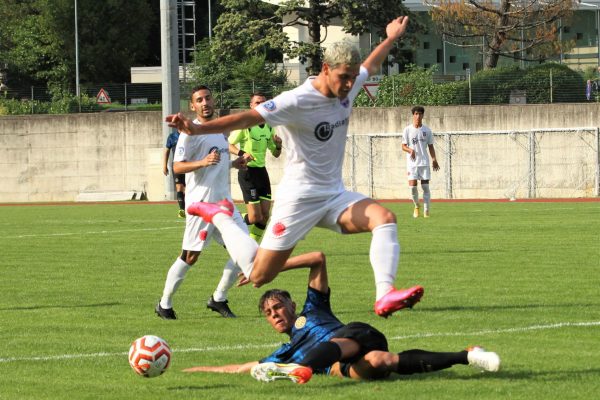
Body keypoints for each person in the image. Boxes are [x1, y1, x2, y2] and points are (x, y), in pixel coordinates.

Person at [167, 16, 424, 318]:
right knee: (260, 275)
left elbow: (372, 64)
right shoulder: (296, 100)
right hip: (298, 200)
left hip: (332, 196)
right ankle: (221, 216)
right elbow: (247, 118)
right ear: (326, 70)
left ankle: (384, 295)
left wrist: (391, 37)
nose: (351, 84)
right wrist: (196, 131)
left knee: (384, 218)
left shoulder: (348, 87)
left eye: (354, 77)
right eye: (344, 77)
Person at [182, 251, 501, 383]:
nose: (275, 314)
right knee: (383, 362)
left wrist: (270, 268)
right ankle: (469, 356)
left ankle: (302, 369)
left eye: (278, 306)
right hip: (348, 364)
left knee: (340, 344)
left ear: (292, 305)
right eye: (268, 313)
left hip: (356, 335)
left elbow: (317, 259)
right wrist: (197, 369)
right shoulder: (284, 351)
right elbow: (241, 368)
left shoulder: (313, 309)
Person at [155, 85, 249, 320]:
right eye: (199, 100)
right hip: (202, 206)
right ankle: (164, 304)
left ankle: (219, 298)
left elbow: (218, 162)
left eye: (207, 98)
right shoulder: (190, 133)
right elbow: (178, 166)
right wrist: (203, 162)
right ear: (193, 106)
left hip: (225, 205)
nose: (205, 102)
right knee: (190, 256)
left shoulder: (220, 131)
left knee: (244, 251)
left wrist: (235, 163)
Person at [228, 92, 282, 242]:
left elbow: (276, 153)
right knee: (254, 217)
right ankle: (230, 219)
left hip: (262, 173)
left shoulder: (270, 127)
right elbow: (228, 144)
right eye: (258, 102)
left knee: (265, 216)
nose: (261, 104)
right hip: (247, 172)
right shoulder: (245, 125)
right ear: (251, 106)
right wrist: (242, 153)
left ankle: (253, 245)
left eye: (264, 102)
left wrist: (279, 145)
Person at [401, 106, 439, 218]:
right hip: (412, 164)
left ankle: (426, 211)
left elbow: (431, 146)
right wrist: (410, 150)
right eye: (416, 114)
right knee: (412, 187)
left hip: (424, 163)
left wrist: (434, 159)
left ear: (423, 115)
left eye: (420, 114)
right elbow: (403, 146)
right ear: (413, 115)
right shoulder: (407, 130)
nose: (418, 116)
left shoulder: (427, 130)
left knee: (425, 187)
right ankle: (417, 206)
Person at [163, 129, 187, 218]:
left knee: (188, 188)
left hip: (189, 165)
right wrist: (164, 165)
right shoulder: (172, 137)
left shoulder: (189, 135)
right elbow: (166, 151)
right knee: (179, 187)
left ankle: (189, 208)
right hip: (177, 165)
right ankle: (182, 210)